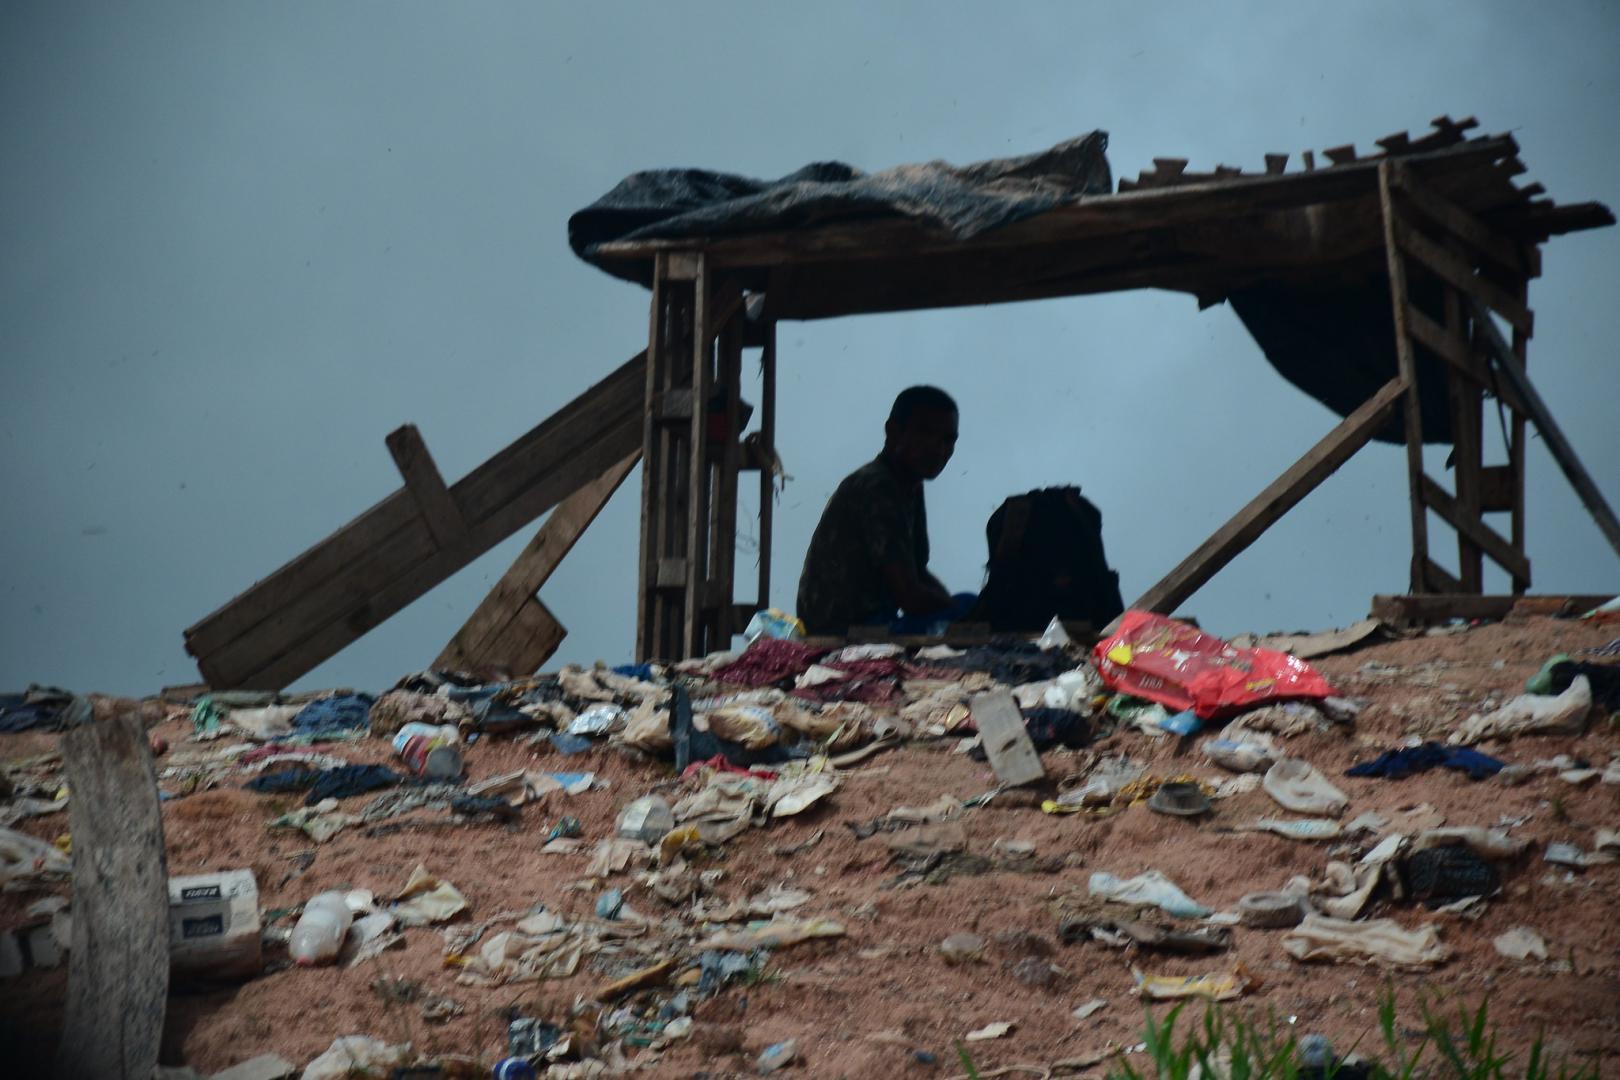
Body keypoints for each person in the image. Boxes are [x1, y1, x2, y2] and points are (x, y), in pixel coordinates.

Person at [796, 385, 973, 636]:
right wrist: (962, 614)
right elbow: (909, 596)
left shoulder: (910, 485)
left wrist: (964, 611)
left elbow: (918, 573)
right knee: (966, 611)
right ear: (893, 431)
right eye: (926, 433)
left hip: (877, 622)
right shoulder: (877, 486)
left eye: (948, 440)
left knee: (968, 606)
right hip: (842, 631)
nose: (939, 448)